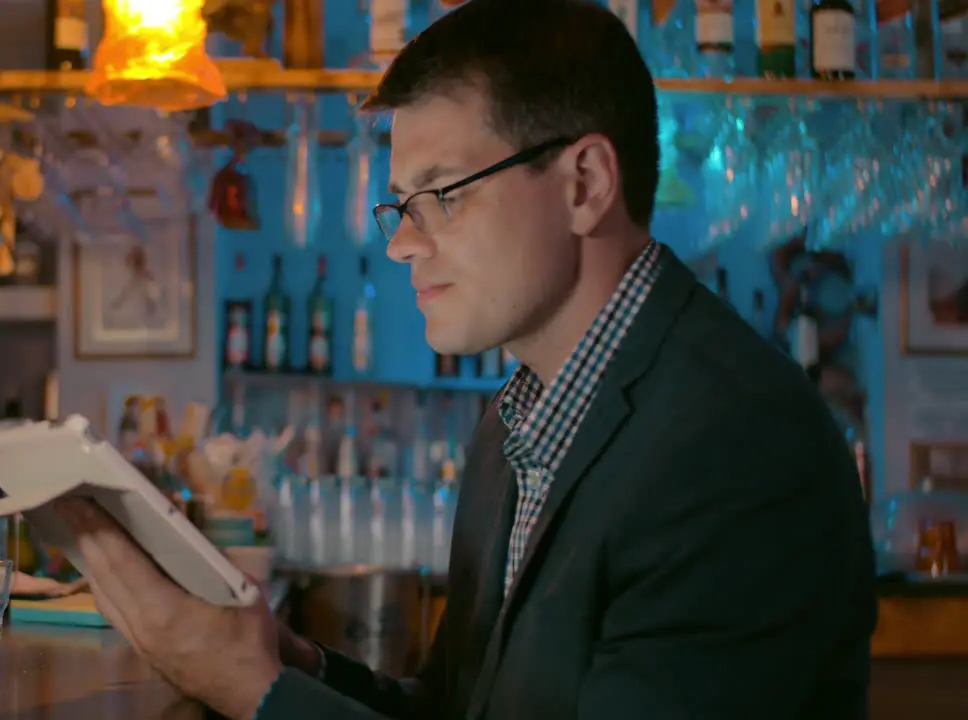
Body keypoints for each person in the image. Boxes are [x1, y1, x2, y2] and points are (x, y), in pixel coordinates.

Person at [53, 0, 877, 718]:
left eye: (442, 195)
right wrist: (292, 664)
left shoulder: (738, 447)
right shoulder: (517, 423)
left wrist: (252, 693)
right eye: (400, 206)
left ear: (584, 183)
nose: (405, 244)